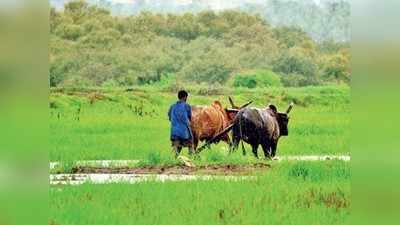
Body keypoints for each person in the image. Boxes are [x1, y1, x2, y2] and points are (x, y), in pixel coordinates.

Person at [168, 90, 194, 157]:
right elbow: (189, 118)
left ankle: (175, 158)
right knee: (190, 143)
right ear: (185, 97)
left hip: (174, 132)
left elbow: (170, 117)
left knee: (176, 145)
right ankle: (191, 156)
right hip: (184, 131)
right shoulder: (187, 106)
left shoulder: (172, 106)